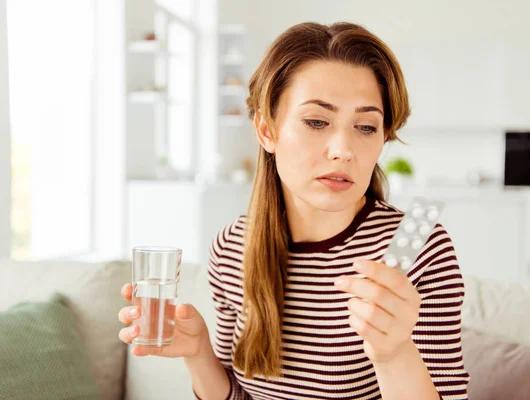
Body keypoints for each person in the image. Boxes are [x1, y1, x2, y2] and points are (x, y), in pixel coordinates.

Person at [118, 21, 470, 400]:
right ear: (268, 131)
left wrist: (394, 353)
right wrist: (198, 352)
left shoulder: (419, 250)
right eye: (317, 121)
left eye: (366, 127)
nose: (343, 149)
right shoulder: (232, 246)